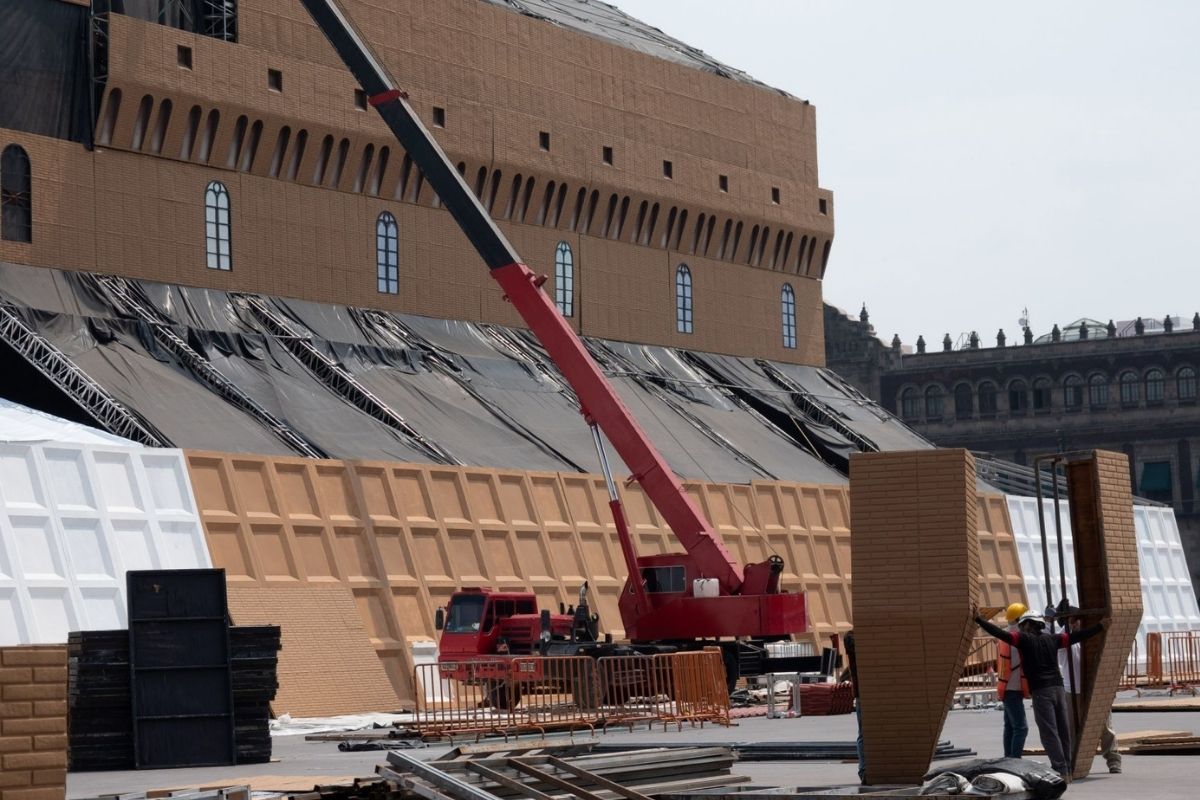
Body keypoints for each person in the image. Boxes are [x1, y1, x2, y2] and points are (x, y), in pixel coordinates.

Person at [976, 609, 1106, 779]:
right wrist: (1100, 627)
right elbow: (1077, 637)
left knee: (1049, 732)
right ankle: (1067, 767)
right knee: (1063, 731)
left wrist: (978, 620)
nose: (1020, 629)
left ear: (1028, 624)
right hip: (1059, 689)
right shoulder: (1052, 639)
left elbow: (1000, 634)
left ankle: (1060, 770)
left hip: (1042, 691)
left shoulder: (1023, 639)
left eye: (1022, 625)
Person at [1057, 606, 1122, 774]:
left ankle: (1113, 759)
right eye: (1074, 620)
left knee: (1104, 727)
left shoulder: (1091, 639)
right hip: (1073, 690)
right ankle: (1073, 762)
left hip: (1095, 689)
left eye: (1079, 620)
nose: (1078, 623)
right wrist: (1066, 622)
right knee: (1072, 729)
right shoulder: (1064, 639)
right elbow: (1063, 636)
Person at [997, 602, 1030, 758]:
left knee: (1010, 726)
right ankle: (1014, 761)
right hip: (1014, 688)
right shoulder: (1019, 638)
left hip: (1006, 686)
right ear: (1020, 619)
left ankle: (1008, 759)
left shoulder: (1005, 636)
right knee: (1021, 728)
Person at [843, 629, 865, 784]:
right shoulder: (851, 637)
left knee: (863, 734)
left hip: (864, 694)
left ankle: (865, 769)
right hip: (862, 694)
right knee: (863, 734)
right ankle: (864, 770)